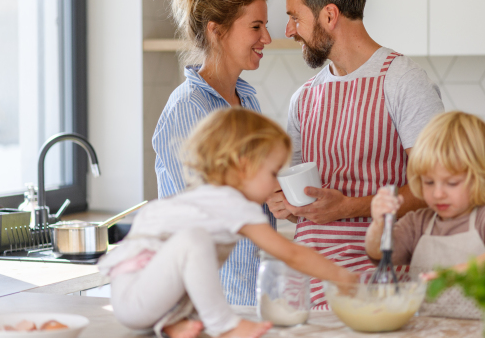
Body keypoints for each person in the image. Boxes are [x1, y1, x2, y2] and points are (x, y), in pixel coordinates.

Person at [266, 0, 445, 306]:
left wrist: (349, 207)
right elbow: (296, 192)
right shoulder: (304, 97)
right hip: (305, 282)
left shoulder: (401, 80)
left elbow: (432, 187)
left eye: (294, 18)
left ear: (329, 15)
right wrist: (283, 202)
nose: (288, 31)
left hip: (375, 279)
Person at [100, 108, 357, 338]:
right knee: (195, 240)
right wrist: (341, 276)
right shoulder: (229, 202)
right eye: (272, 172)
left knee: (199, 255)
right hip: (134, 299)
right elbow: (291, 253)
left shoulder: (208, 197)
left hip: (148, 298)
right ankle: (226, 327)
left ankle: (174, 324)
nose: (277, 183)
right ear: (244, 166)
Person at [152, 0, 276, 306]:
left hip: (251, 292)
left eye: (265, 26)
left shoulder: (246, 98)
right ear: (217, 31)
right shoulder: (187, 109)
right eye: (256, 27)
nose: (266, 38)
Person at [366, 111, 485, 318]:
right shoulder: (418, 222)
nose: (438, 193)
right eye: (429, 182)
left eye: (451, 183)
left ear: (481, 177)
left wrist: (457, 272)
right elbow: (378, 255)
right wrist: (379, 224)